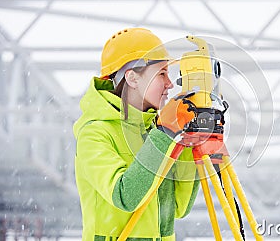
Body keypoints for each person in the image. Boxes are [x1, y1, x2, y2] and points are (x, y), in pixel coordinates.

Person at [73, 28, 199, 241]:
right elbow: (125, 196)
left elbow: (179, 207)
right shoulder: (94, 133)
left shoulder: (154, 131)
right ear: (132, 78)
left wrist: (192, 141)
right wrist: (164, 133)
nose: (170, 83)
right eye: (161, 73)